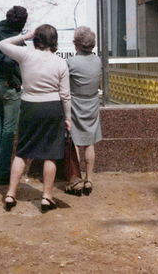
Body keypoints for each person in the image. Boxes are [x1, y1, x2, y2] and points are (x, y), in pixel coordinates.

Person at [0, 24, 71, 213]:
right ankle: (46, 197)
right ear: (54, 41)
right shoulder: (60, 62)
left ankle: (10, 194)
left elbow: (3, 44)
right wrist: (68, 117)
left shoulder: (26, 55)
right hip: (53, 107)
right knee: (51, 154)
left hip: (29, 106)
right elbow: (66, 95)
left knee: (22, 151)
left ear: (36, 39)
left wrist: (24, 36)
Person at [0, 6, 28, 185]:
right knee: (9, 131)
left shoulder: (0, 34)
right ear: (23, 23)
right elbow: (9, 61)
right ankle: (1, 172)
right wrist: (13, 80)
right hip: (9, 87)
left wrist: (10, 24)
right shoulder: (15, 41)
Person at [65, 26, 102, 196]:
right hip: (92, 103)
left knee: (75, 142)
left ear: (77, 44)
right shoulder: (98, 60)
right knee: (89, 142)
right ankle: (89, 179)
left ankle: (77, 180)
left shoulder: (71, 63)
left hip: (76, 104)